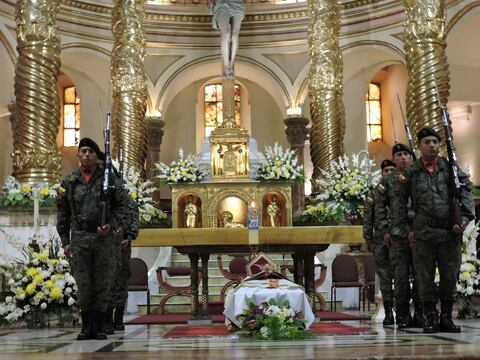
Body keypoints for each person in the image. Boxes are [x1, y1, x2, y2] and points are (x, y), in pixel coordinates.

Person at [394, 127, 475, 333]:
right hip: (424, 234)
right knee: (424, 278)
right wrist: (407, 229)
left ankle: (446, 317)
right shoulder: (411, 173)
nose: (432, 145)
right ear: (420, 146)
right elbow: (399, 205)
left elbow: (466, 195)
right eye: (427, 142)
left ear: (440, 145)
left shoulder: (451, 169)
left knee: (450, 277)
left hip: (449, 233)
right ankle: (430, 317)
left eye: (435, 142)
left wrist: (464, 220)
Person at [56, 138, 129, 340]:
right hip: (79, 237)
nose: (87, 155)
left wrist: (112, 225)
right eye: (84, 151)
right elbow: (62, 213)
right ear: (78, 155)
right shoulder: (69, 182)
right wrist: (65, 241)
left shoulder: (109, 181)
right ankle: (86, 325)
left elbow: (123, 206)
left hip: (102, 238)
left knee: (103, 283)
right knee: (84, 283)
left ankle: (98, 325)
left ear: (97, 157)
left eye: (91, 152)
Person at [375, 144, 422, 329]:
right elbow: (379, 206)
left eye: (406, 154)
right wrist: (385, 230)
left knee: (421, 276)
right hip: (398, 236)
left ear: (411, 157)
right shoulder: (388, 181)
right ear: (394, 159)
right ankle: (402, 313)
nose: (403, 158)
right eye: (399, 155)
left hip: (419, 234)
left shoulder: (420, 176)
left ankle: (420, 312)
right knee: (400, 277)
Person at [363, 158, 395, 326]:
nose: (389, 173)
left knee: (403, 277)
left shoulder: (402, 189)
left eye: (392, 170)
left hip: (400, 240)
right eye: (386, 170)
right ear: (382, 173)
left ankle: (405, 310)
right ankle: (388, 311)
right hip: (380, 242)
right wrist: (369, 240)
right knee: (385, 277)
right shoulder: (374, 193)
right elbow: (368, 219)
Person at [208, 0, 245, 78]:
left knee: (234, 35)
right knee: (227, 33)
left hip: (237, 5)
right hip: (222, 5)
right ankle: (226, 65)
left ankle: (230, 65)